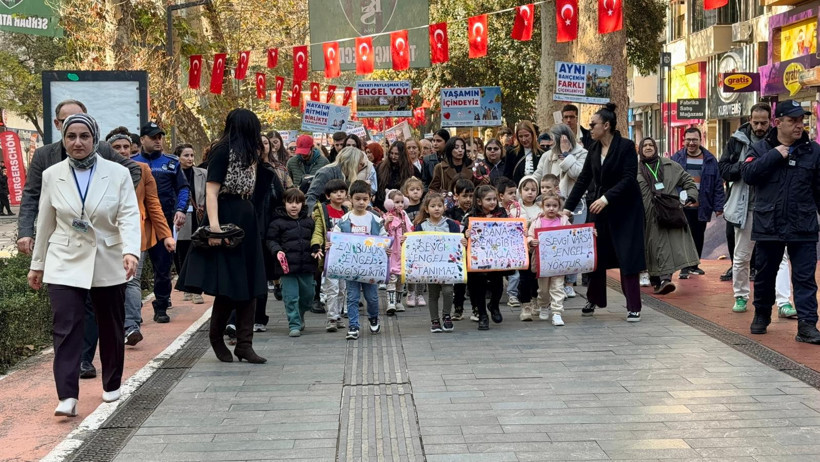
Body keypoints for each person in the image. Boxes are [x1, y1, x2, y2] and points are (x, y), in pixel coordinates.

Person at [17, 99, 141, 380]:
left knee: (99, 315)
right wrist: (26, 232)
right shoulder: (45, 159)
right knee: (69, 316)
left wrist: (110, 201)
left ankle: (98, 369)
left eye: (84, 130)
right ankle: (79, 367)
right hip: (67, 254)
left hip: (103, 253)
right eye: (69, 128)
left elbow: (130, 176)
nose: (78, 140)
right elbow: (33, 198)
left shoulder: (105, 151)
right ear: (58, 125)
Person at [176, 108, 270, 363]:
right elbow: (211, 192)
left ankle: (244, 344)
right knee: (230, 283)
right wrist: (215, 228)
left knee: (251, 283)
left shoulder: (252, 154)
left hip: (247, 216)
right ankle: (217, 338)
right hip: (226, 214)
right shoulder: (222, 150)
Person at [741, 99, 820, 344]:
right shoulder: (761, 149)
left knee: (805, 278)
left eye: (801, 121)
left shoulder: (813, 151)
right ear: (778, 123)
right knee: (765, 275)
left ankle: (807, 325)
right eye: (793, 121)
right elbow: (747, 175)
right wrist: (775, 155)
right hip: (769, 225)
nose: (799, 125)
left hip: (803, 225)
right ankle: (762, 313)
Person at [564, 103, 646, 322]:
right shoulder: (593, 148)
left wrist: (606, 198)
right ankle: (594, 298)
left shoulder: (627, 146)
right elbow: (583, 180)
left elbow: (629, 178)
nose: (590, 128)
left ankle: (633, 306)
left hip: (626, 210)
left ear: (607, 125)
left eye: (594, 124)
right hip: (600, 209)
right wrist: (566, 209)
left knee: (627, 257)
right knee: (596, 255)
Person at [720, 103, 796, 317]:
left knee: (781, 257)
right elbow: (723, 169)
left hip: (773, 207)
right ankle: (741, 296)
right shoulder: (737, 141)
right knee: (742, 255)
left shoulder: (779, 139)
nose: (760, 126)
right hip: (746, 208)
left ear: (772, 120)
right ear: (749, 120)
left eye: (764, 122)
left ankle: (783, 302)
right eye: (756, 122)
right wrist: (746, 167)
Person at [105, 127, 174, 346]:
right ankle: (110, 324)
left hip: (135, 233)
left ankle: (131, 326)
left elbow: (153, 204)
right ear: (107, 149)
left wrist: (166, 235)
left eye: (126, 146)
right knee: (108, 283)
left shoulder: (142, 169)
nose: (123, 151)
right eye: (117, 147)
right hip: (104, 235)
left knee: (131, 279)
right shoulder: (98, 170)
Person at [132, 122, 190, 324]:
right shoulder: (132, 163)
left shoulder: (171, 163)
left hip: (163, 222)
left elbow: (183, 188)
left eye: (160, 137)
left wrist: (181, 210)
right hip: (136, 223)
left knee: (163, 268)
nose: (158, 141)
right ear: (142, 140)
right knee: (132, 269)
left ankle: (162, 306)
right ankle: (132, 310)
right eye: (153, 137)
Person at [637, 137, 700, 295]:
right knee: (651, 248)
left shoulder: (670, 165)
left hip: (668, 212)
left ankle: (665, 279)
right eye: (645, 145)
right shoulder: (634, 169)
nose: (648, 147)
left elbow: (688, 181)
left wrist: (691, 196)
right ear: (640, 149)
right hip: (646, 216)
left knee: (666, 247)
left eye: (651, 145)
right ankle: (657, 280)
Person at [330, 180, 388, 340]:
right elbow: (336, 237)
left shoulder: (375, 219)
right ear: (351, 198)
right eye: (357, 199)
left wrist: (386, 247)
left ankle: (373, 317)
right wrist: (330, 244)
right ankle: (353, 326)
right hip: (351, 268)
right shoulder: (344, 220)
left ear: (370, 198)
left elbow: (383, 237)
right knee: (353, 297)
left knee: (372, 297)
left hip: (370, 268)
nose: (361, 202)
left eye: (365, 199)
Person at [672, 127, 725, 279]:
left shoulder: (709, 159)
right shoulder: (677, 159)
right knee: (684, 236)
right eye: (688, 140)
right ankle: (684, 267)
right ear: (684, 141)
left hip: (702, 206)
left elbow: (717, 184)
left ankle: (694, 265)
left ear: (700, 140)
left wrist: (719, 206)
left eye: (694, 140)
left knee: (698, 235)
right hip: (682, 206)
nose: (691, 143)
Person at [265, 188, 315, 337]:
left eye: (298, 202)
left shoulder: (309, 221)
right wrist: (277, 250)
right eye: (290, 202)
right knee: (290, 297)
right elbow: (271, 239)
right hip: (287, 268)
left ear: (303, 204)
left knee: (308, 296)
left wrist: (317, 249)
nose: (294, 206)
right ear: (284, 203)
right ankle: (294, 323)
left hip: (307, 266)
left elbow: (315, 239)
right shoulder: (277, 222)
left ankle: (300, 314)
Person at [413, 192, 464, 333]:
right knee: (433, 294)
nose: (437, 209)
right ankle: (434, 320)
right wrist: (407, 242)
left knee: (448, 291)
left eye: (439, 206)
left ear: (444, 207)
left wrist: (463, 242)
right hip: (430, 266)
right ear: (426, 209)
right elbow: (415, 245)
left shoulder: (451, 225)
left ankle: (446, 315)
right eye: (433, 206)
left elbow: (458, 242)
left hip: (447, 265)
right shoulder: (421, 226)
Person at [463, 184, 508, 330]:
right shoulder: (471, 217)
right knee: (479, 288)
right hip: (478, 259)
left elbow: (509, 231)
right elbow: (464, 235)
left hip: (496, 258)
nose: (493, 202)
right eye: (488, 199)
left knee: (498, 285)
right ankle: (482, 314)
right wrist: (466, 235)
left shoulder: (502, 214)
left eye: (495, 199)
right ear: (479, 201)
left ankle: (494, 305)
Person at [171, 143, 207, 305]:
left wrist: (204, 206)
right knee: (182, 252)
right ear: (178, 157)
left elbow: (210, 193)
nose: (190, 159)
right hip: (181, 217)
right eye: (186, 155)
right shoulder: (172, 173)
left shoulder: (202, 173)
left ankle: (196, 289)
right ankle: (185, 286)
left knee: (198, 251)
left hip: (199, 217)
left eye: (192, 155)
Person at [527, 192, 570, 326]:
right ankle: (544, 305)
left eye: (555, 206)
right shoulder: (537, 222)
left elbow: (573, 234)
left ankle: (557, 312)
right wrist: (531, 241)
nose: (551, 208)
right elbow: (529, 235)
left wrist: (588, 233)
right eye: (548, 205)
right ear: (542, 206)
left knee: (558, 287)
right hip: (542, 263)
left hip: (559, 261)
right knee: (543, 289)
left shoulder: (563, 221)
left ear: (559, 207)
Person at [311, 179, 349, 332]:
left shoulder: (347, 212)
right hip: (330, 257)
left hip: (345, 257)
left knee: (342, 288)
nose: (339, 194)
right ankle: (331, 318)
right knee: (331, 288)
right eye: (335, 192)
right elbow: (318, 231)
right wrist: (318, 245)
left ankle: (338, 315)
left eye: (342, 191)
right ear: (328, 196)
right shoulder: (322, 211)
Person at [445, 179, 474, 320]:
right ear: (456, 196)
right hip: (456, 253)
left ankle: (476, 309)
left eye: (471, 196)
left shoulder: (476, 213)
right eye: (465, 196)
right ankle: (458, 309)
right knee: (459, 283)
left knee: (474, 283)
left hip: (473, 253)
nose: (468, 199)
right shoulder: (450, 213)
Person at [305, 146, 366, 212]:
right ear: (353, 163)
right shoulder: (326, 173)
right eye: (361, 164)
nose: (362, 167)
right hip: (324, 214)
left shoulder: (347, 176)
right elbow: (311, 197)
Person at [383, 189, 413, 314]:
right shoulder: (387, 216)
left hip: (403, 248)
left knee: (401, 277)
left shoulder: (404, 215)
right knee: (392, 276)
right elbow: (385, 231)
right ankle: (391, 302)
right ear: (390, 203)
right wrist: (387, 222)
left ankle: (399, 301)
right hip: (392, 248)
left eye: (401, 202)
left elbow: (410, 228)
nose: (400, 205)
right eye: (396, 202)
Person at [516, 175, 542, 322]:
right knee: (524, 278)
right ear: (520, 190)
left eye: (533, 189)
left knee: (536, 279)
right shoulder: (515, 208)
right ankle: (525, 305)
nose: (530, 193)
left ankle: (535, 300)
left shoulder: (541, 207)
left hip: (537, 250)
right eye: (526, 189)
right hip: (523, 250)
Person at [376, 141, 414, 210]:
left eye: (397, 154)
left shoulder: (410, 169)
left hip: (401, 207)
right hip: (382, 206)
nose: (393, 156)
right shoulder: (381, 167)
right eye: (391, 153)